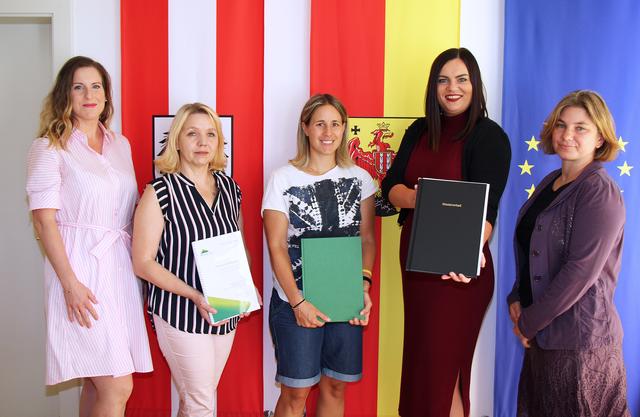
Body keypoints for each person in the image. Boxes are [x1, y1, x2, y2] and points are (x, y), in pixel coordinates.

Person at [381, 47, 511, 417]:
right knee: (423, 369)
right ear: (433, 87)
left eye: (461, 79)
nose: (451, 88)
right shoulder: (420, 130)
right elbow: (391, 187)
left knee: (445, 372)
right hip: (417, 268)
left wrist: (463, 257)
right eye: (443, 80)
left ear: (475, 85)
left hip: (459, 275)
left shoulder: (490, 137)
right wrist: (419, 196)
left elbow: (487, 216)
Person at [26, 56, 152, 417]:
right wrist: (70, 284)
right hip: (79, 271)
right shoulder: (50, 147)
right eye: (78, 86)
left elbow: (128, 211)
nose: (88, 94)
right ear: (66, 94)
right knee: (116, 384)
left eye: (96, 86)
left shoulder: (120, 145)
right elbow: (44, 222)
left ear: (106, 94)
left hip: (119, 272)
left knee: (97, 384)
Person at [507, 90, 630, 416]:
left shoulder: (599, 192)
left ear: (601, 137)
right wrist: (517, 297)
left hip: (580, 346)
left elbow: (580, 271)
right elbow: (532, 248)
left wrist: (528, 322)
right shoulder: (551, 183)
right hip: (543, 338)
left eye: (580, 128)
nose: (567, 135)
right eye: (561, 125)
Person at [132, 102, 256, 417]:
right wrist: (195, 295)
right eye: (192, 134)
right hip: (180, 313)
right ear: (177, 141)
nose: (202, 143)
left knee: (195, 400)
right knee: (202, 403)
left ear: (219, 143)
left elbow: (237, 245)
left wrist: (244, 287)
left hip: (223, 309)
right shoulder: (159, 191)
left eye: (210, 134)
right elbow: (143, 262)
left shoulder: (230, 188)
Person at [262, 93, 376, 417]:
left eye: (336, 124)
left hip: (345, 301)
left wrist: (362, 288)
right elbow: (276, 246)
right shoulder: (282, 178)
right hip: (293, 300)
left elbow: (367, 240)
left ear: (344, 129)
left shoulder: (361, 178)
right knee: (296, 392)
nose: (328, 132)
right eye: (320, 124)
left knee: (335, 385)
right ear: (306, 128)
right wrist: (297, 302)